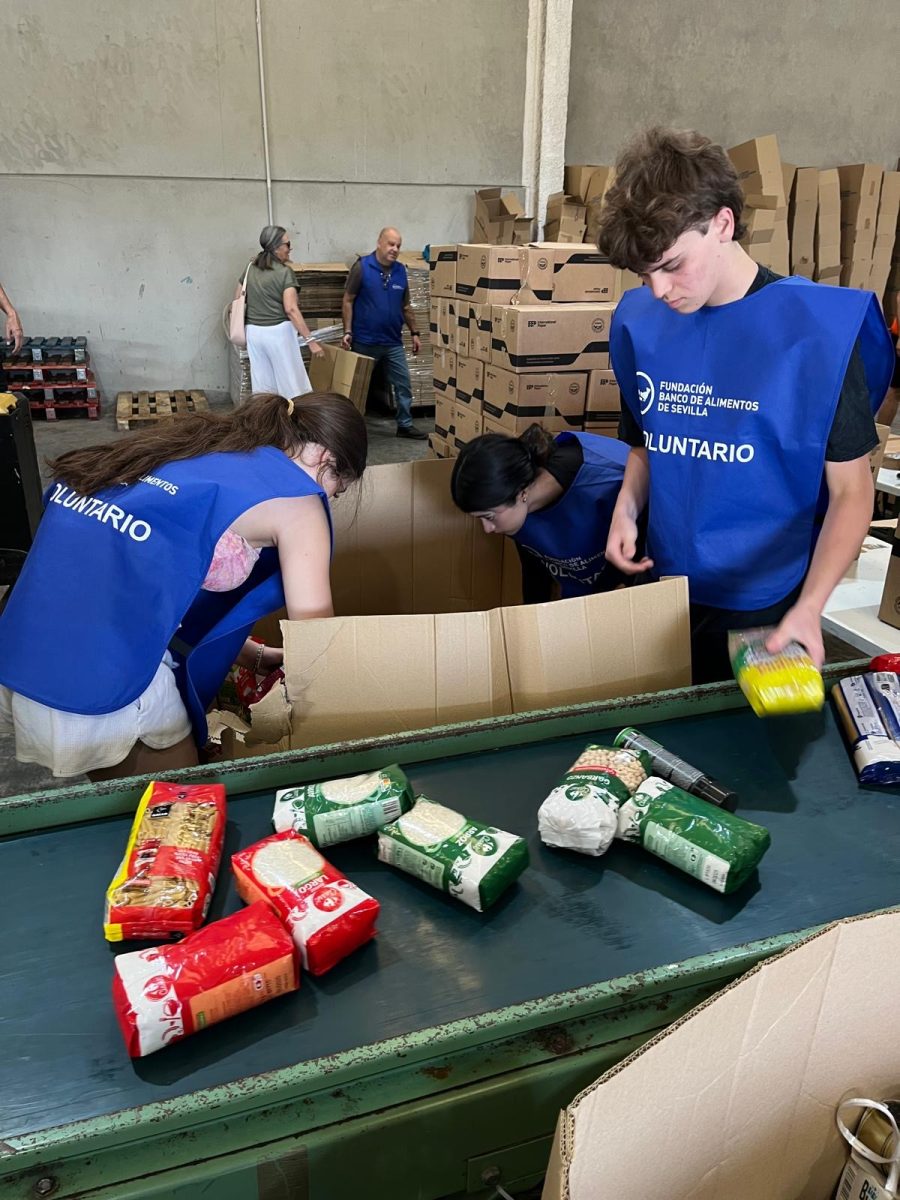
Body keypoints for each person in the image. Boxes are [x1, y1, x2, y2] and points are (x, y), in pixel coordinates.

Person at [597, 127, 895, 684]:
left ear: (723, 225)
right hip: (662, 583)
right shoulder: (640, 321)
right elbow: (644, 439)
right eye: (644, 275)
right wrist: (626, 508)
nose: (659, 291)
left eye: (672, 265)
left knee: (751, 757)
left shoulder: (817, 335)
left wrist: (810, 606)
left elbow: (852, 493)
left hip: (768, 601)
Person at [0, 391, 366, 780]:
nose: (329, 500)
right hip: (107, 675)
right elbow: (318, 639)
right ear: (328, 461)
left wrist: (252, 654)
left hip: (27, 646)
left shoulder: (208, 447)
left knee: (133, 808)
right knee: (184, 812)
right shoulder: (300, 501)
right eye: (337, 490)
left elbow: (158, 570)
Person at [451, 425, 632, 602]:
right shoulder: (513, 504)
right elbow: (535, 572)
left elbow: (641, 563)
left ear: (521, 493)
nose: (487, 529)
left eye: (488, 517)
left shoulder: (605, 479)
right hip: (579, 602)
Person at [341, 226, 427, 439]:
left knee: (403, 385)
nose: (395, 249)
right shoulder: (362, 267)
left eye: (398, 245)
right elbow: (347, 300)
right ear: (379, 242)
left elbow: (405, 307)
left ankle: (405, 425)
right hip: (365, 341)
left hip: (392, 343)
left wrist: (415, 332)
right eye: (391, 244)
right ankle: (351, 429)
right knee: (358, 388)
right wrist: (348, 331)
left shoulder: (400, 271)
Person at [236, 226, 324, 397]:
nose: (290, 249)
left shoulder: (250, 269)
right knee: (292, 385)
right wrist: (310, 340)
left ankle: (267, 421)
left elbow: (238, 297)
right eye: (288, 244)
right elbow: (291, 309)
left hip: (254, 333)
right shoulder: (284, 273)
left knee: (264, 388)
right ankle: (295, 421)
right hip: (278, 334)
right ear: (276, 247)